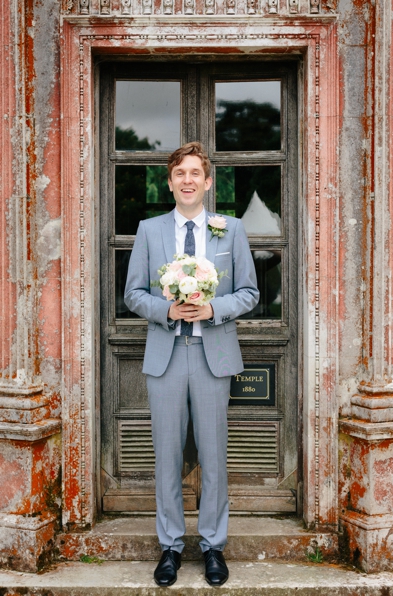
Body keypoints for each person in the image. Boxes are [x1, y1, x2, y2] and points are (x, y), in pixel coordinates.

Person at [124, 141, 259, 587]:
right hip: (165, 355)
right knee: (165, 455)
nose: (187, 180)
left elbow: (250, 293)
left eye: (194, 173)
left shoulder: (230, 230)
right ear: (170, 181)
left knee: (214, 455)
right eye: (179, 173)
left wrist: (212, 309)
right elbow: (133, 293)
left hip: (212, 356)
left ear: (206, 181)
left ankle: (214, 546)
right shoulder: (149, 230)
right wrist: (167, 311)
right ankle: (170, 547)